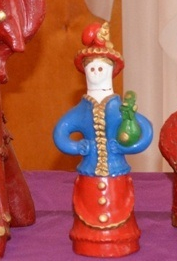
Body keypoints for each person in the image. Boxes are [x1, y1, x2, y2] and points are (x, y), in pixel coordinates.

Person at [53, 22, 153, 257]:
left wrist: (127, 145)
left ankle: (121, 240)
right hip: (89, 173)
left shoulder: (121, 109)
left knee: (120, 208)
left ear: (112, 71)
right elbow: (60, 133)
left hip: (116, 173)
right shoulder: (81, 110)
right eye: (92, 68)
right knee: (87, 208)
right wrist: (78, 146)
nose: (96, 72)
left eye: (101, 68)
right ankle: (87, 241)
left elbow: (146, 131)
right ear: (84, 71)